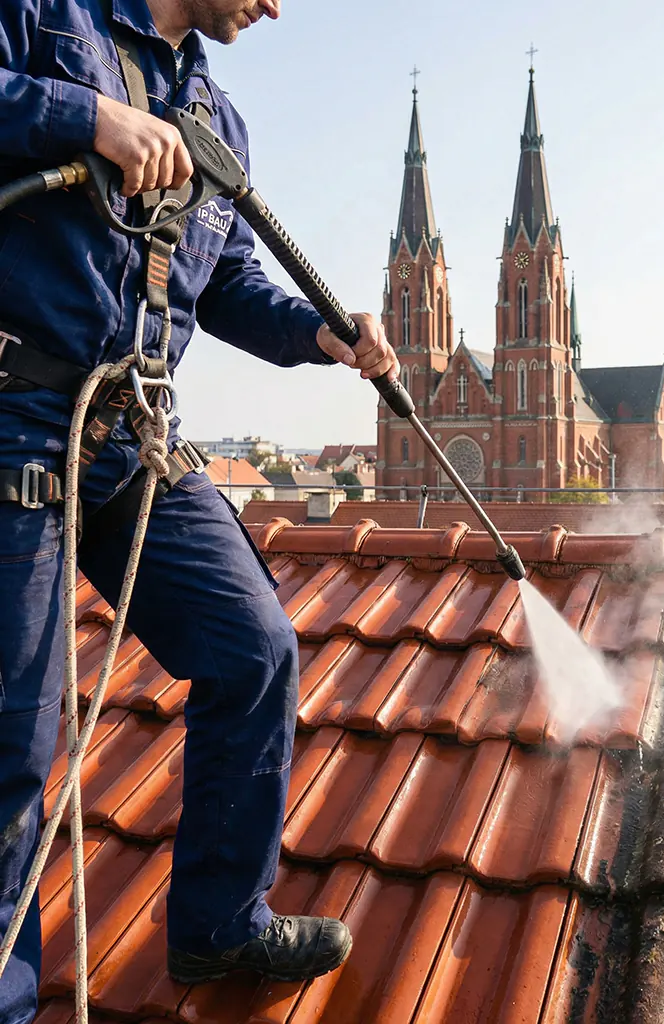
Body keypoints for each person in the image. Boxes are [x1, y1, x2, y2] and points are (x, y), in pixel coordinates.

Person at [0, 1, 399, 1020]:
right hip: (18, 416)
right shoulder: (46, 17)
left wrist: (322, 335)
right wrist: (82, 118)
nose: (276, 6)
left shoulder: (215, 114)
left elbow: (225, 286)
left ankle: (220, 926)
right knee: (13, 736)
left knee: (254, 648)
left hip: (131, 431)